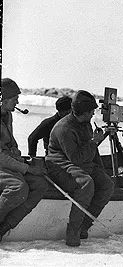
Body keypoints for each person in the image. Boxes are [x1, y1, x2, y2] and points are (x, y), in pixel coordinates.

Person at [45, 90, 114, 247]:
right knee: (85, 183)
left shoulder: (85, 123)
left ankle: (84, 226)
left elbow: (90, 152)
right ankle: (73, 231)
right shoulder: (64, 128)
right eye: (92, 112)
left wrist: (97, 143)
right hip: (60, 165)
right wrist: (94, 142)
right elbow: (75, 158)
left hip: (81, 164)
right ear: (85, 112)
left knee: (107, 185)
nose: (93, 115)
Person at [0, 78, 48, 242]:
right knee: (18, 188)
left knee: (40, 185)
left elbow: (10, 146)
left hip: (8, 164)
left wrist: (24, 161)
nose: (17, 102)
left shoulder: (7, 116)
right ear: (3, 99)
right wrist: (26, 168)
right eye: (14, 99)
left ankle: (5, 227)